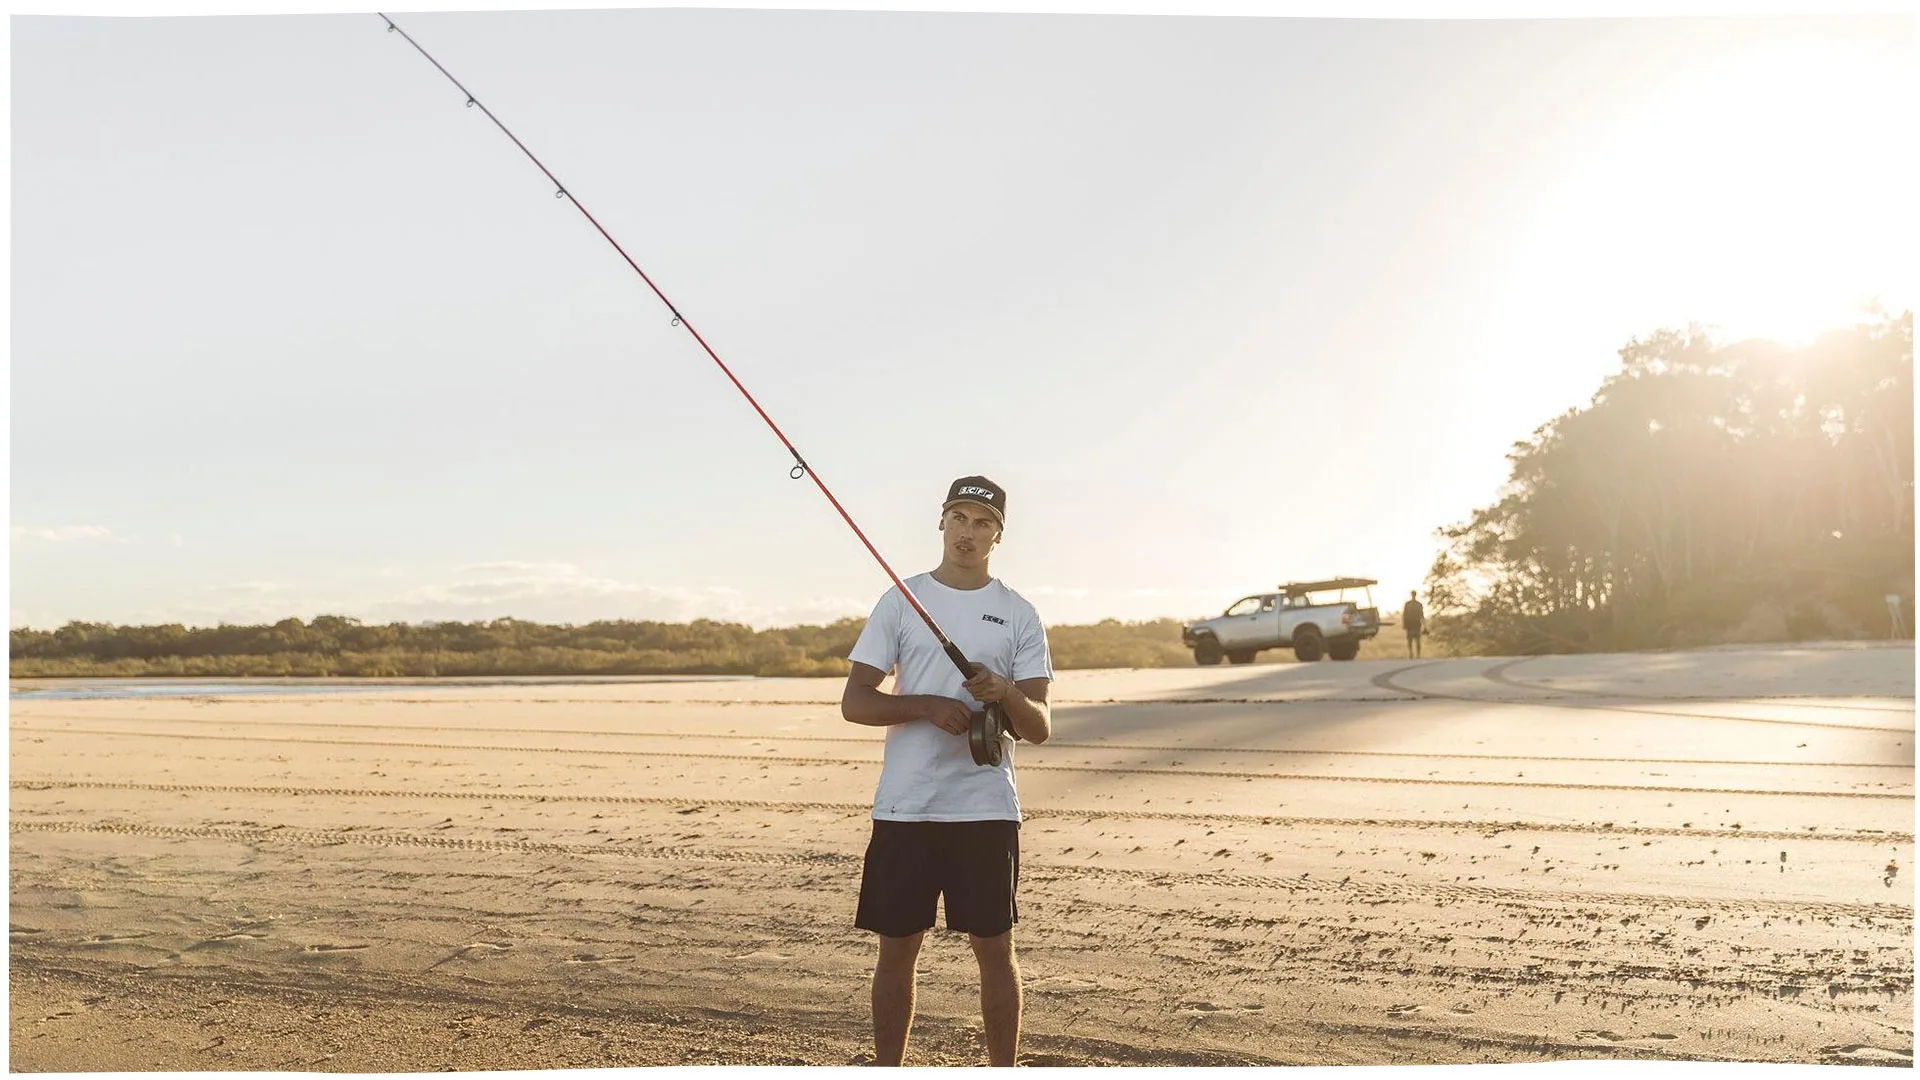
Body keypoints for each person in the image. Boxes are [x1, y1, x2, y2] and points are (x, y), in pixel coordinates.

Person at [840, 475, 1053, 1068]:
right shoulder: (902, 599)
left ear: (998, 535)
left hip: (985, 809)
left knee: (995, 948)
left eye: (983, 522)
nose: (969, 531)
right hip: (906, 806)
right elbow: (856, 702)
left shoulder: (1019, 613)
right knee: (898, 947)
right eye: (959, 517)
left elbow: (1037, 727)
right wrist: (928, 707)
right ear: (942, 522)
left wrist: (1004, 691)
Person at [1402, 590, 1426, 658]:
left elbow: (1421, 615)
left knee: (1416, 640)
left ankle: (1416, 654)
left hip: (1415, 624)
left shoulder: (1414, 604)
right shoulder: (1412, 604)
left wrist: (1424, 624)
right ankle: (1412, 654)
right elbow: (1404, 615)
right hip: (1412, 624)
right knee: (1411, 640)